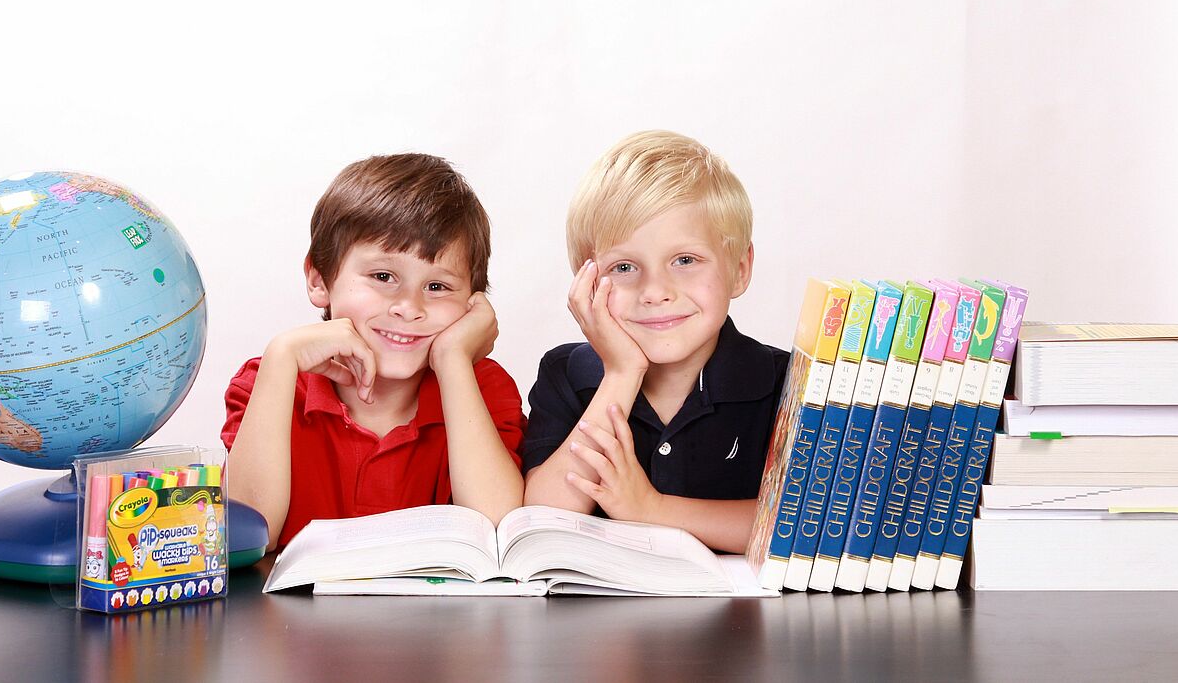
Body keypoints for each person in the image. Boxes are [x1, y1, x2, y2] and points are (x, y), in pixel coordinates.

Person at [223, 154, 525, 550]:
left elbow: (500, 533)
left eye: (437, 287)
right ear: (319, 280)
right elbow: (247, 539)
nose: (409, 307)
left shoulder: (481, 388)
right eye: (383, 276)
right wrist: (282, 356)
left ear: (473, 302)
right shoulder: (269, 381)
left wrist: (453, 360)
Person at [522, 130, 789, 553]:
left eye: (685, 260)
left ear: (739, 269)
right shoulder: (567, 374)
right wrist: (621, 373)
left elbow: (798, 527)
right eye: (624, 267)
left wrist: (652, 508)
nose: (655, 292)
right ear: (587, 282)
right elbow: (543, 518)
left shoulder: (783, 382)